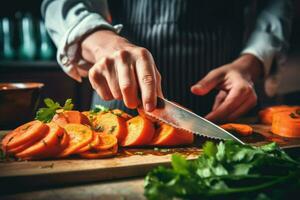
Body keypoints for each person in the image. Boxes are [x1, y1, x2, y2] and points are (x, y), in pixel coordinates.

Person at [42, 0, 292, 122]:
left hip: (225, 102)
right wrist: (102, 43)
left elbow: (278, 3)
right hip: (119, 100)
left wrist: (251, 63)